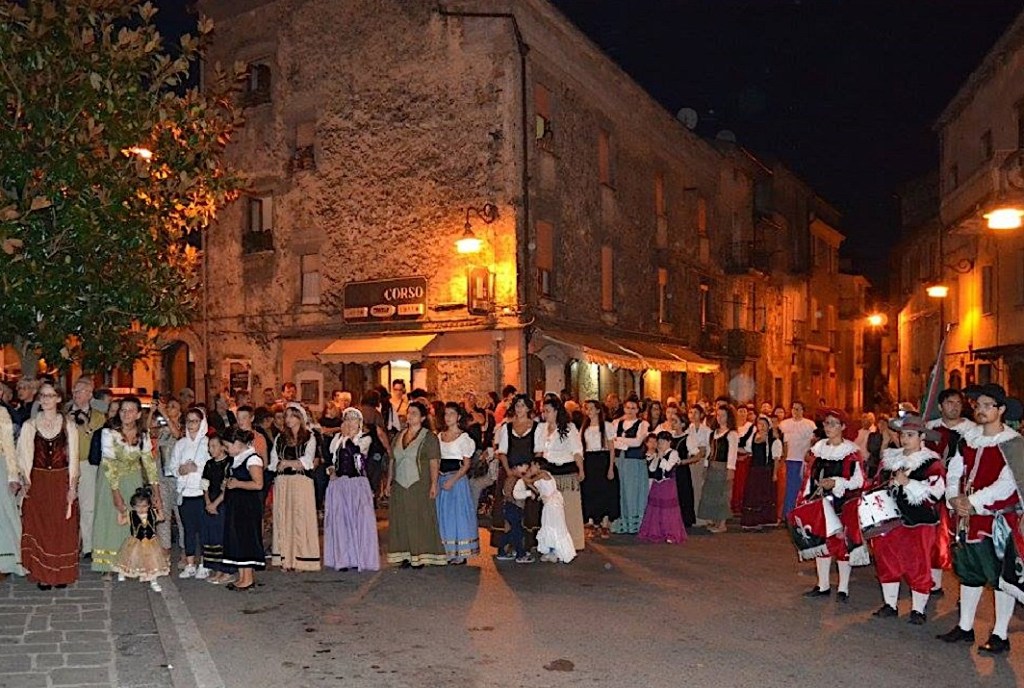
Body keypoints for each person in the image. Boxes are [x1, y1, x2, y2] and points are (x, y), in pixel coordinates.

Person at [937, 383, 1024, 654]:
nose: (981, 410)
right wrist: (954, 497)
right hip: (967, 519)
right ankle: (965, 627)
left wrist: (972, 502)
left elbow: (1007, 484)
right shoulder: (969, 439)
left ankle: (1000, 634)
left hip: (996, 521)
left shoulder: (1013, 443)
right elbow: (954, 470)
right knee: (970, 572)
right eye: (979, 405)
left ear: (1001, 410)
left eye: (988, 406)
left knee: (1000, 577)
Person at [870, 415, 944, 624]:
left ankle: (918, 610)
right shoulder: (890, 460)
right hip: (890, 519)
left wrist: (908, 483)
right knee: (887, 559)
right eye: (903, 435)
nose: (905, 439)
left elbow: (936, 493)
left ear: (922, 437)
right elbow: (876, 482)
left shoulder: (932, 463)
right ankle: (890, 604)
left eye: (910, 435)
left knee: (918, 563)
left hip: (918, 522)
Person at [17, 381, 80, 589]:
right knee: (41, 526)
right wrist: (25, 481)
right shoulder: (30, 425)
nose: (46, 399)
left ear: (58, 399)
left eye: (50, 395)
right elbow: (23, 456)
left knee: (61, 527)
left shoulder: (68, 426)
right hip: (39, 481)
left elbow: (74, 459)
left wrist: (72, 488)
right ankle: (43, 573)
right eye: (43, 395)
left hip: (61, 480)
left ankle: (60, 573)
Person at [92, 396, 161, 578]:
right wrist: (116, 494)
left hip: (132, 478)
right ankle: (107, 564)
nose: (126, 414)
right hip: (110, 479)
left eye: (130, 410)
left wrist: (157, 494)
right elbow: (109, 464)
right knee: (110, 518)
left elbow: (149, 464)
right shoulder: (109, 433)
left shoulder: (143, 436)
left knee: (133, 519)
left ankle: (129, 562)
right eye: (123, 410)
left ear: (138, 414)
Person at [800, 408, 864, 603]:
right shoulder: (817, 449)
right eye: (827, 423)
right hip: (819, 504)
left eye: (834, 424)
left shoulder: (851, 453)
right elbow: (810, 476)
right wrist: (805, 497)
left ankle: (843, 588)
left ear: (843, 427)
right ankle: (823, 585)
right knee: (821, 544)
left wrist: (836, 482)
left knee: (842, 545)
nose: (829, 427)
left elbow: (859, 481)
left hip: (841, 504)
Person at [925, 388, 977, 597]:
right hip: (933, 490)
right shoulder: (930, 429)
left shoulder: (973, 430)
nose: (954, 407)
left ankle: (967, 590)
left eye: (958, 403)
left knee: (962, 539)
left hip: (962, 490)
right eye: (949, 402)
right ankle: (934, 584)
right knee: (935, 537)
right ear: (940, 406)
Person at [386, 401, 446, 568]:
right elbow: (393, 460)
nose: (410, 416)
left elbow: (434, 461)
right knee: (401, 519)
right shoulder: (399, 436)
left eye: (414, 413)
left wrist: (434, 484)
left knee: (419, 518)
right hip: (400, 484)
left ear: (423, 417)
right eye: (409, 412)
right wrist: (389, 481)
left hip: (419, 484)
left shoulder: (429, 437)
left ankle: (419, 555)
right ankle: (405, 554)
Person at [324, 407, 380, 572]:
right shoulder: (336, 440)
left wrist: (347, 437)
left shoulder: (364, 439)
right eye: (347, 419)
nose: (349, 423)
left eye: (353, 419)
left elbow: (355, 453)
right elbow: (330, 459)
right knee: (341, 521)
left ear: (360, 423)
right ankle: (343, 558)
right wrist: (331, 470)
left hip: (357, 484)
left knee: (358, 521)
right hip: (339, 484)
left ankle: (358, 557)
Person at [269, 404, 320, 571]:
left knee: (300, 518)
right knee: (284, 518)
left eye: (292, 415)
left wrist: (287, 463)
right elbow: (274, 461)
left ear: (300, 417)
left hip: (301, 481)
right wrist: (284, 464)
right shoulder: (280, 438)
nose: (288, 419)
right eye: (286, 416)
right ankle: (286, 558)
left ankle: (302, 559)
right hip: (283, 481)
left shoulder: (309, 437)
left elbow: (307, 461)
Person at [535, 395, 585, 550]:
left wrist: (581, 469)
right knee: (551, 511)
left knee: (569, 508)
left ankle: (573, 542)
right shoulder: (541, 428)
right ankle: (553, 543)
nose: (545, 414)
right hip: (548, 473)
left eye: (548, 411)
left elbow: (577, 450)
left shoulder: (569, 428)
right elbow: (539, 451)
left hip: (567, 471)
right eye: (543, 411)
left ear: (556, 411)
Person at [493, 394, 540, 559]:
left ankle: (524, 546)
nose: (519, 409)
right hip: (510, 473)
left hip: (529, 473)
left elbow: (538, 452)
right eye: (517, 405)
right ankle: (508, 546)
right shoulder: (506, 427)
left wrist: (529, 473)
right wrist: (509, 471)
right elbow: (502, 452)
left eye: (523, 405)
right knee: (509, 511)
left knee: (527, 511)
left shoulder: (537, 427)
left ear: (528, 408)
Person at [221, 427, 266, 591]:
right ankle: (242, 577)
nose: (226, 449)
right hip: (236, 505)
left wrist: (237, 483)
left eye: (227, 446)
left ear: (238, 443)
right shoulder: (237, 459)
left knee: (245, 539)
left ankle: (248, 579)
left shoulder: (253, 459)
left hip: (248, 506)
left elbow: (258, 484)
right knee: (237, 539)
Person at [435, 402, 480, 564]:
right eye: (446, 414)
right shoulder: (439, 436)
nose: (448, 417)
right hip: (441, 478)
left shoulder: (464, 438)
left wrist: (452, 481)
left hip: (457, 480)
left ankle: (460, 553)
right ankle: (446, 550)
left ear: (459, 417)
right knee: (444, 515)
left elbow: (466, 465)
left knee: (457, 515)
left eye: (451, 414)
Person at [171, 407, 211, 580]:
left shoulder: (207, 443)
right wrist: (181, 470)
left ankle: (204, 563)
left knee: (203, 530)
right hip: (185, 493)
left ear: (202, 422)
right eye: (189, 421)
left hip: (202, 493)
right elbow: (172, 467)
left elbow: (212, 465)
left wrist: (197, 468)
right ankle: (189, 564)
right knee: (188, 530)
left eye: (195, 421)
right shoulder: (180, 444)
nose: (191, 424)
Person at [67, 377, 105, 560]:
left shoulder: (97, 416)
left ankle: (88, 546)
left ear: (89, 394)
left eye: (80, 391)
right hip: (66, 464)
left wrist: (84, 424)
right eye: (74, 391)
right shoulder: (64, 413)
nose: (76, 394)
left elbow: (95, 436)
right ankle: (68, 544)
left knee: (88, 506)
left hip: (86, 464)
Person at [512, 458, 575, 563]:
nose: (530, 468)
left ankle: (561, 552)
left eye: (532, 465)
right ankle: (552, 551)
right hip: (548, 504)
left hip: (553, 504)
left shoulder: (544, 474)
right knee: (548, 526)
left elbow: (530, 481)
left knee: (556, 526)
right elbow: (536, 489)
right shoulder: (540, 476)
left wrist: (520, 474)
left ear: (538, 465)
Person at [114, 487, 168, 592]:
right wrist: (120, 512)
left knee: (152, 561)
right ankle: (123, 572)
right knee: (130, 558)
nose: (141, 509)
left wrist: (160, 508)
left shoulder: (152, 514)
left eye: (144, 506)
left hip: (151, 542)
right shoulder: (131, 515)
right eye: (138, 506)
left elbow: (161, 518)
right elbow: (121, 522)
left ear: (149, 505)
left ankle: (153, 580)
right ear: (133, 506)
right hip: (136, 542)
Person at [638, 431, 687, 544]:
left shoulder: (673, 453)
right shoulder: (658, 453)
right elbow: (652, 469)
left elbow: (668, 468)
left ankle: (671, 533)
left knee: (668, 510)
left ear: (669, 442)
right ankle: (657, 532)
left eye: (663, 442)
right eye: (659, 442)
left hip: (667, 484)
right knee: (656, 509)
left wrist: (661, 457)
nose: (660, 445)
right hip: (657, 484)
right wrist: (656, 457)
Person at [611, 396, 649, 534]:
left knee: (633, 491)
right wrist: (625, 442)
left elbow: (638, 442)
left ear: (638, 410)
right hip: (619, 460)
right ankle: (622, 523)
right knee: (620, 491)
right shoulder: (616, 423)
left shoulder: (643, 424)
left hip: (634, 462)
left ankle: (635, 524)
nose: (630, 410)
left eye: (633, 408)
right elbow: (611, 442)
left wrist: (620, 439)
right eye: (628, 407)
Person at [200, 433, 235, 584]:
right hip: (211, 501)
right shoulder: (209, 464)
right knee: (211, 536)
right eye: (209, 446)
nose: (211, 449)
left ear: (223, 447)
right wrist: (208, 502)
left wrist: (216, 504)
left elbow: (227, 487)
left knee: (223, 536)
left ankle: (227, 570)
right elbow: (204, 485)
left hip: (223, 502)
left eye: (214, 446)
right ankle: (216, 569)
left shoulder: (229, 463)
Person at [580, 400, 618, 539]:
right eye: (587, 409)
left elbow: (611, 448)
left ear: (598, 410)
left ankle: (604, 522)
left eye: (591, 408)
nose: (589, 411)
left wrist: (611, 467)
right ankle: (591, 522)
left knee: (605, 491)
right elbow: (581, 447)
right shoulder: (584, 427)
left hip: (603, 459)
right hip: (589, 460)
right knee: (590, 491)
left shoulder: (607, 426)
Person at [698, 404, 738, 533]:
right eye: (718, 415)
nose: (720, 418)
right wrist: (706, 466)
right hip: (712, 466)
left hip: (723, 466)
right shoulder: (712, 433)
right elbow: (709, 451)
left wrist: (730, 469)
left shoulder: (731, 434)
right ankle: (715, 521)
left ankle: (722, 524)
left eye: (723, 416)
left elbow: (732, 453)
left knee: (723, 495)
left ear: (728, 417)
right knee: (712, 494)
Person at [152, 396, 184, 555]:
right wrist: (153, 412)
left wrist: (164, 413)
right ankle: (164, 550)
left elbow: (177, 435)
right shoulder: (161, 430)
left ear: (179, 413)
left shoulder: (183, 429)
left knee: (181, 516)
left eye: (173, 406)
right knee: (162, 514)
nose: (169, 408)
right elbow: (147, 432)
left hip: (178, 478)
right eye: (168, 406)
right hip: (162, 476)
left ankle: (186, 551)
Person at [740, 414, 782, 529]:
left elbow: (776, 459)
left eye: (764, 424)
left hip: (765, 470)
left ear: (768, 426)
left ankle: (764, 519)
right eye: (760, 424)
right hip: (754, 470)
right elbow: (748, 450)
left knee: (764, 494)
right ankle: (752, 521)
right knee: (753, 494)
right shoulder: (753, 437)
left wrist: (774, 473)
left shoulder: (773, 440)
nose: (762, 426)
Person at [780, 401, 818, 518]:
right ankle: (788, 514)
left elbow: (813, 442)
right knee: (789, 488)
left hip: (803, 460)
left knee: (801, 488)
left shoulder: (810, 424)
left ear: (803, 410)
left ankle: (800, 513)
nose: (795, 411)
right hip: (790, 459)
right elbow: (783, 443)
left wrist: (809, 454)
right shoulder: (784, 424)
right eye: (793, 408)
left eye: (798, 409)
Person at [0, 405, 25, 579]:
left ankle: (6, 561)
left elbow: (8, 445)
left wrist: (13, 475)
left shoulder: (1, 412)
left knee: (4, 513)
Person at [682, 406, 711, 527]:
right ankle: (692, 515)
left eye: (696, 413)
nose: (693, 415)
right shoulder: (688, 429)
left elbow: (707, 449)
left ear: (701, 415)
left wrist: (705, 463)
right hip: (690, 460)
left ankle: (701, 517)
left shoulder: (707, 430)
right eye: (691, 412)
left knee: (700, 489)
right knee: (692, 489)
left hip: (701, 461)